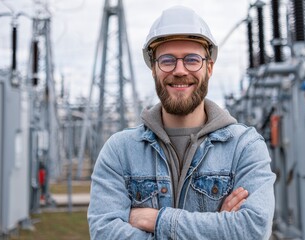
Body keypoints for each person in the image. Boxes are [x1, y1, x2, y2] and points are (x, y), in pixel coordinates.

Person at [88, 5, 275, 239]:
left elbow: (253, 229)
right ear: (154, 69)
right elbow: (104, 232)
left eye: (192, 59)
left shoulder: (244, 147)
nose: (179, 70)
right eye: (167, 60)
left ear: (209, 67)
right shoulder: (120, 151)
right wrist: (219, 226)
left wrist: (156, 220)